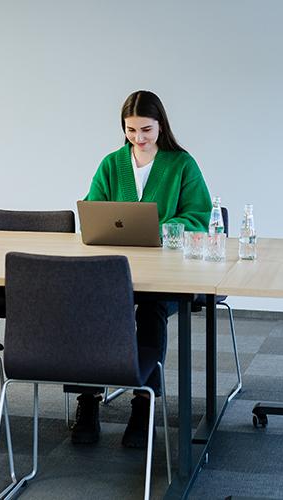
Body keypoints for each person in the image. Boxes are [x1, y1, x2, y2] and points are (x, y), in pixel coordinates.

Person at [73, 90, 212, 448]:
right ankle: (88, 399)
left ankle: (144, 403)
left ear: (161, 125)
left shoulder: (182, 164)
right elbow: (91, 212)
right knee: (91, 304)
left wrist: (161, 229)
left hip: (167, 273)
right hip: (116, 270)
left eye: (146, 129)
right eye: (131, 130)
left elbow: (199, 215)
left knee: (151, 307)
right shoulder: (111, 164)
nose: (139, 138)